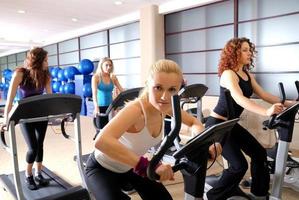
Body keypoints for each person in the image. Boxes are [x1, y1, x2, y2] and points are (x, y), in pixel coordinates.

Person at [85, 59, 222, 200]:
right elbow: (101, 141)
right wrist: (147, 165)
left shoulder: (167, 106)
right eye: (158, 88)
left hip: (129, 166)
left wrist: (205, 142)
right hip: (101, 168)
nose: (164, 96)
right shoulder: (136, 110)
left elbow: (194, 122)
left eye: (172, 89)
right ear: (147, 85)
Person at [204, 37, 296, 200]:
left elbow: (264, 94)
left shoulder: (246, 74)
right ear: (234, 53)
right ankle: (213, 196)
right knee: (239, 166)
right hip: (218, 125)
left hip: (232, 124)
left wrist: (291, 104)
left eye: (250, 50)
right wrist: (267, 112)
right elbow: (240, 98)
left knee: (259, 154)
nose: (249, 53)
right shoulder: (228, 74)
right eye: (245, 50)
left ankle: (259, 194)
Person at [3, 47, 52, 190]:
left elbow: (50, 96)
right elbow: (10, 100)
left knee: (40, 145)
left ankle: (38, 173)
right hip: (25, 115)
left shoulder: (46, 74)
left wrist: (57, 111)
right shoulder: (20, 74)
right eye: (45, 60)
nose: (47, 63)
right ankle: (28, 175)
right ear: (38, 61)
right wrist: (6, 120)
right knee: (33, 147)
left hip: (41, 114)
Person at [91, 57, 124, 139]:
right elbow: (94, 93)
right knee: (100, 131)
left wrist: (123, 102)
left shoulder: (113, 77)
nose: (109, 67)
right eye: (106, 65)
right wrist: (96, 107)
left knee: (109, 130)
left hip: (110, 107)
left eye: (110, 65)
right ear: (101, 66)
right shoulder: (96, 77)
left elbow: (122, 90)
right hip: (100, 107)